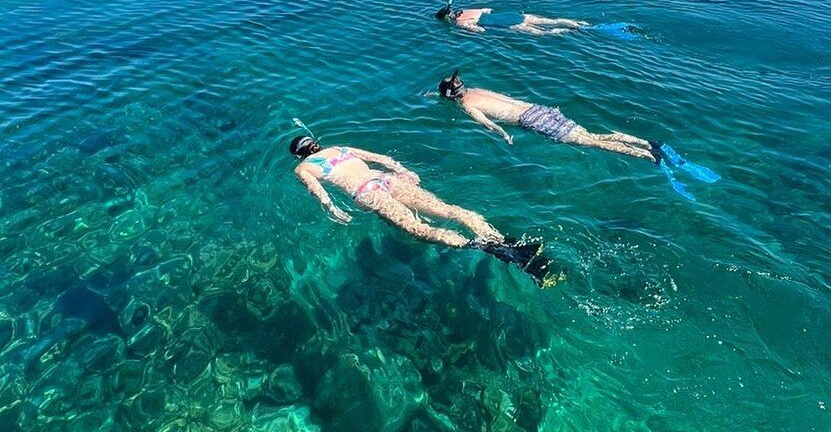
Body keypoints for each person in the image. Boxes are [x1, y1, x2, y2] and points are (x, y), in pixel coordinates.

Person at [288, 135, 555, 284]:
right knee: (449, 210)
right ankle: (505, 240)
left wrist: (331, 208)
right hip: (387, 179)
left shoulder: (303, 168)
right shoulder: (339, 148)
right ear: (315, 144)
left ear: (299, 155)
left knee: (420, 229)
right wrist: (404, 170)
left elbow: (317, 190)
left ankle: (487, 247)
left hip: (369, 194)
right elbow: (382, 159)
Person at [436, 73, 719, 199]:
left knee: (592, 144)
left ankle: (650, 157)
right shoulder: (477, 91)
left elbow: (488, 123)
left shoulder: (466, 105)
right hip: (541, 109)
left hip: (531, 121)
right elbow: (506, 99)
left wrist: (503, 136)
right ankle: (648, 143)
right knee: (592, 135)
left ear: (451, 98)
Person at [435, 2, 638, 39]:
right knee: (551, 20)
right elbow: (488, 9)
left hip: (510, 25)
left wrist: (469, 31)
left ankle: (574, 32)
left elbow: (481, 32)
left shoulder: (461, 24)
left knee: (543, 33)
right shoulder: (468, 10)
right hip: (515, 16)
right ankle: (581, 24)